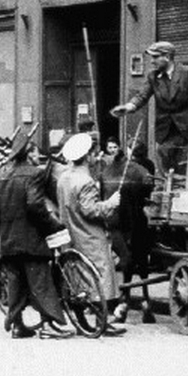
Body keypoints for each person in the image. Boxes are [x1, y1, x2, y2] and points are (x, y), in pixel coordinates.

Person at [0, 135, 75, 339]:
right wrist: (52, 226)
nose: (38, 156)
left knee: (15, 283)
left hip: (9, 241)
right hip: (32, 239)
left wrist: (3, 229)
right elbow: (35, 205)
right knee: (41, 282)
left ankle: (17, 326)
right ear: (28, 154)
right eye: (35, 152)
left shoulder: (1, 177)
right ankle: (48, 326)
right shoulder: (35, 174)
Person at [56, 133, 126, 335]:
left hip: (71, 235)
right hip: (89, 236)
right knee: (101, 276)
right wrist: (110, 203)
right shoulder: (85, 181)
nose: (96, 157)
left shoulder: (64, 178)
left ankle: (83, 322)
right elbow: (91, 210)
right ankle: (101, 321)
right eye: (94, 154)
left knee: (77, 279)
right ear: (87, 156)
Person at [111, 41, 188, 176]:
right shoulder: (153, 76)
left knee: (187, 167)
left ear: (167, 57)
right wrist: (128, 107)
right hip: (165, 131)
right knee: (164, 162)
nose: (152, 61)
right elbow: (142, 96)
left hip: (187, 130)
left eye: (155, 57)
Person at [98, 136, 155, 323]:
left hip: (116, 222)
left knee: (126, 261)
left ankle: (124, 301)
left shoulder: (105, 172)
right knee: (141, 262)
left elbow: (102, 198)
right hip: (137, 219)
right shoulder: (141, 170)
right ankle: (144, 302)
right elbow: (149, 190)